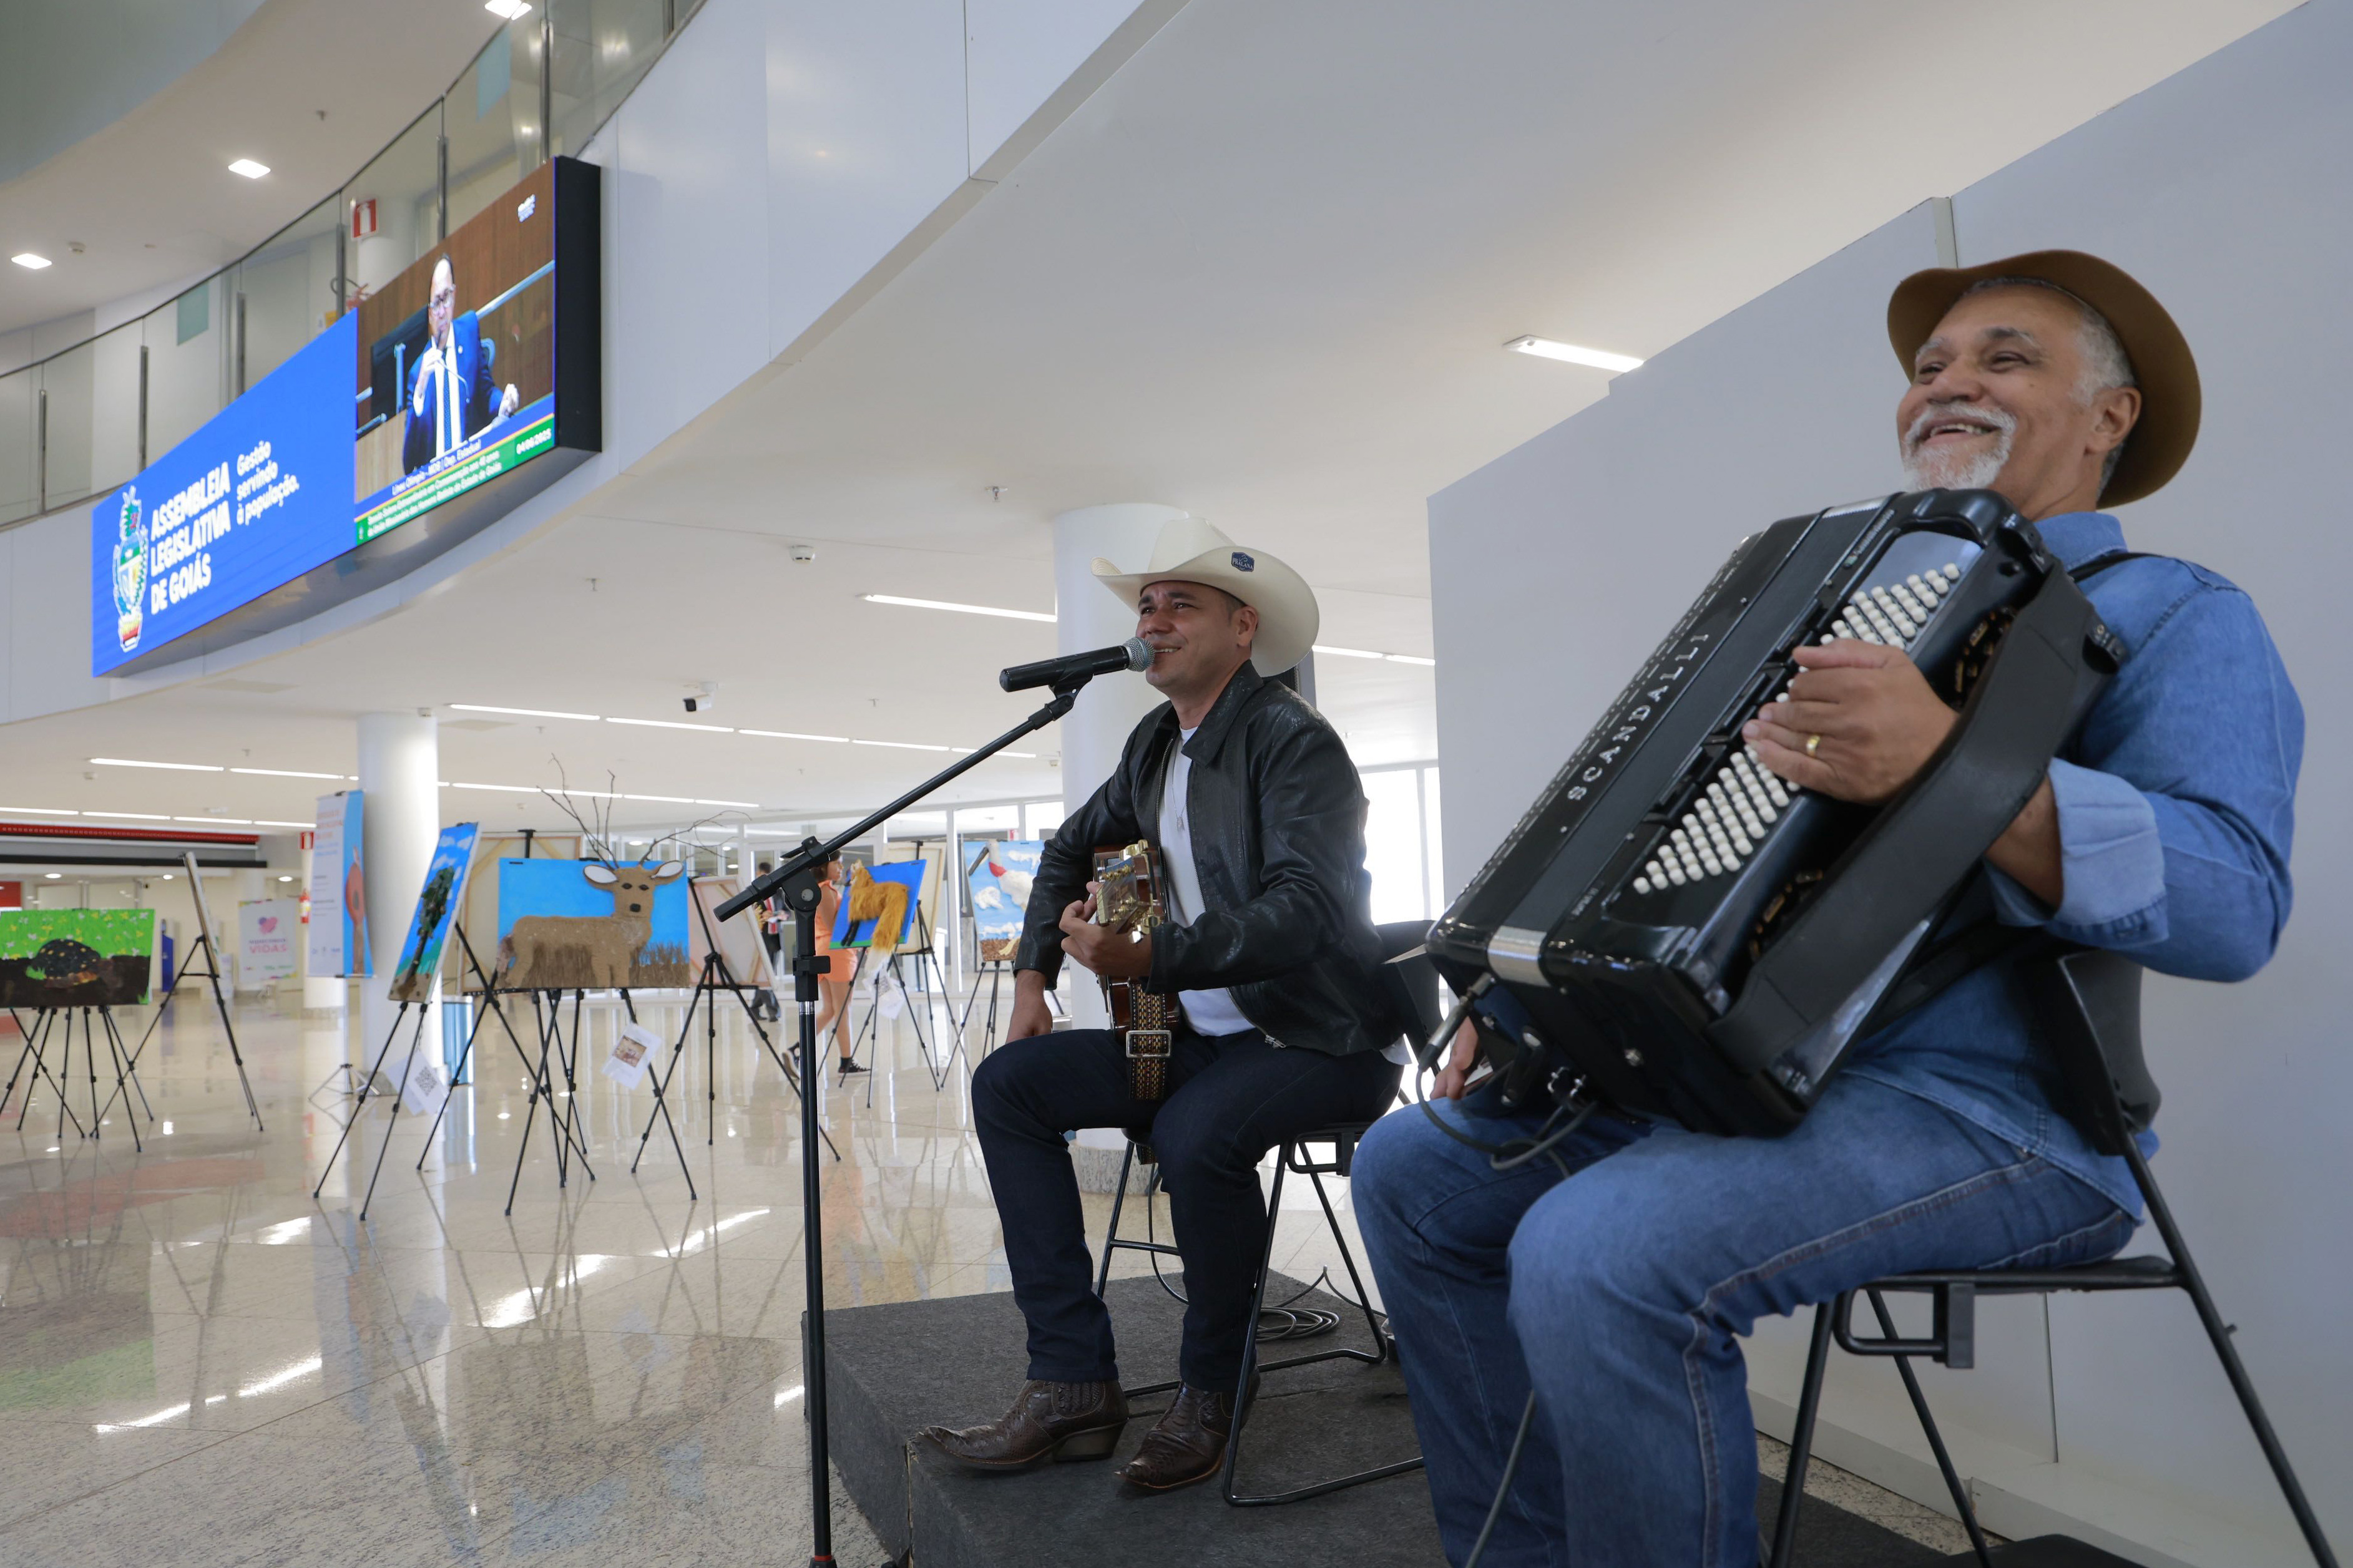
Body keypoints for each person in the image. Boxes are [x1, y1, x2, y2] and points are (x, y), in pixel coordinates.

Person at [1352, 251, 2302, 1567]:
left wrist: (1955, 772)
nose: (1948, 384)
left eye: (2005, 358)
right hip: (1740, 1086)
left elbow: (2237, 903)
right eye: (1930, 367)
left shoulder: (2176, 612)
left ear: (2110, 416)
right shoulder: (1821, 604)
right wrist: (1533, 1004)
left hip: (1998, 1109)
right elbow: (1655, 856)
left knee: (1596, 1246)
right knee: (1413, 1169)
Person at [917, 517, 1406, 1492]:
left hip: (1321, 1037)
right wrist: (1031, 979)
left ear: (1242, 627)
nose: (1153, 620)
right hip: (1200, 1041)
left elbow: (1307, 909)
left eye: (1181, 603)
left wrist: (1155, 954)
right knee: (1010, 1083)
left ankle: (1212, 1387)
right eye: (1146, 605)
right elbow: (1068, 847)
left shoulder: (1292, 741)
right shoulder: (1152, 745)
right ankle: (1070, 1383)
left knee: (1194, 1132)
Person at [401, 255, 519, 475]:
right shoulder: (418, 373)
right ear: (429, 313)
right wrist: (421, 389)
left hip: (472, 467)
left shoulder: (469, 330)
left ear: (454, 296)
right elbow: (409, 461)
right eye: (435, 304)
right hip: (438, 481)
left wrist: (503, 400)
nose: (441, 311)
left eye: (445, 298)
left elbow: (486, 393)